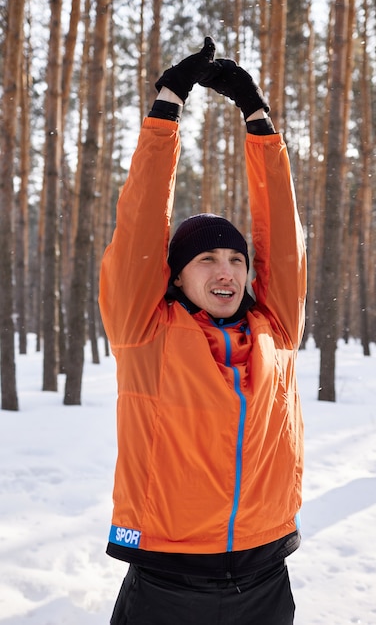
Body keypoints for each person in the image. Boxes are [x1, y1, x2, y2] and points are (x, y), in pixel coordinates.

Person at [99, 36, 306, 625]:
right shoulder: (146, 333)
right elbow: (139, 226)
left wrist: (258, 120)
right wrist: (166, 109)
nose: (227, 271)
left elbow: (282, 241)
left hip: (266, 571)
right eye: (207, 260)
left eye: (236, 260)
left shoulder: (274, 329)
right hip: (167, 575)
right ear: (177, 276)